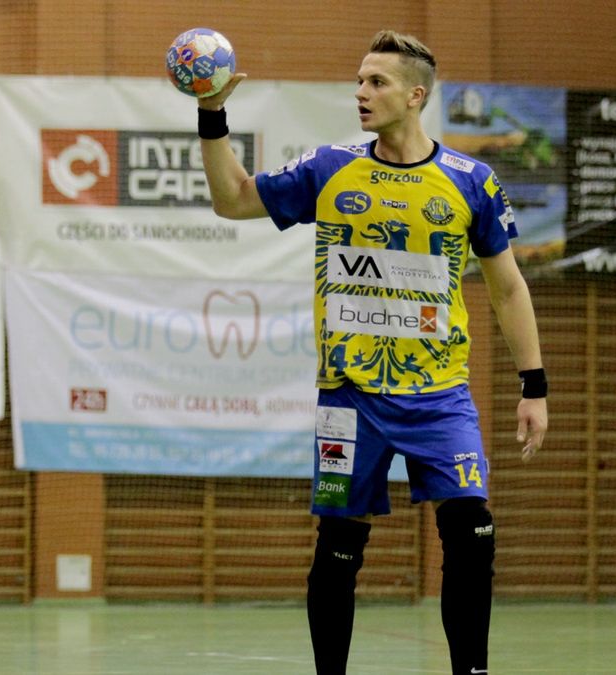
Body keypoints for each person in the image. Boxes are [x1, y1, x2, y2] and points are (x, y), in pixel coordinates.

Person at [195, 30, 548, 675]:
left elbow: (508, 289)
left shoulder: (471, 181)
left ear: (415, 96)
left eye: (376, 82)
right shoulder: (331, 167)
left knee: (472, 533)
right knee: (339, 546)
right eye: (358, 80)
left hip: (439, 395)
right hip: (349, 398)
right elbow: (232, 199)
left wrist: (534, 386)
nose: (360, 92)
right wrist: (212, 114)